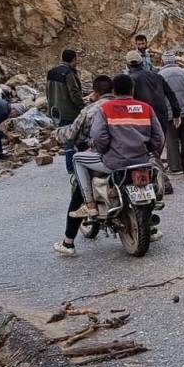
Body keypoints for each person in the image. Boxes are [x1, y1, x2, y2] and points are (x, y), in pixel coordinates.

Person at [71, 72, 164, 221]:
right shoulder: (145, 108)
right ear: (132, 90)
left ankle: (89, 205)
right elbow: (159, 137)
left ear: (114, 91)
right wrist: (148, 150)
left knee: (76, 159)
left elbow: (98, 136)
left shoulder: (105, 109)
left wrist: (104, 150)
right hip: (142, 161)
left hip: (114, 162)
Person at [54, 75, 114, 256]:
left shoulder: (90, 111)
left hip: (101, 158)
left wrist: (57, 134)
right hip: (133, 156)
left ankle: (68, 242)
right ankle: (150, 228)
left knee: (78, 185)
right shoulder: (124, 106)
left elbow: (72, 134)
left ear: (95, 92)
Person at [127, 48, 180, 194]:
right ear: (141, 62)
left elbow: (129, 101)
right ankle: (155, 178)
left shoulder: (131, 79)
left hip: (142, 118)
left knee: (149, 150)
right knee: (155, 149)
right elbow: (171, 94)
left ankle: (163, 181)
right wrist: (176, 113)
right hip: (161, 116)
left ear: (128, 64)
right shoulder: (157, 76)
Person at [159, 50, 184, 175]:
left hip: (170, 114)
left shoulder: (160, 75)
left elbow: (159, 96)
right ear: (175, 61)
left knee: (172, 140)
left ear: (163, 61)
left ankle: (175, 167)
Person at [46, 47, 84, 171]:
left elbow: (47, 92)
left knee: (65, 139)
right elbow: (74, 93)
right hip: (69, 111)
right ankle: (73, 166)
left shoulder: (51, 72)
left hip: (55, 111)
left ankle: (71, 166)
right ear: (74, 59)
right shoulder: (69, 73)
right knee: (72, 138)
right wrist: (82, 107)